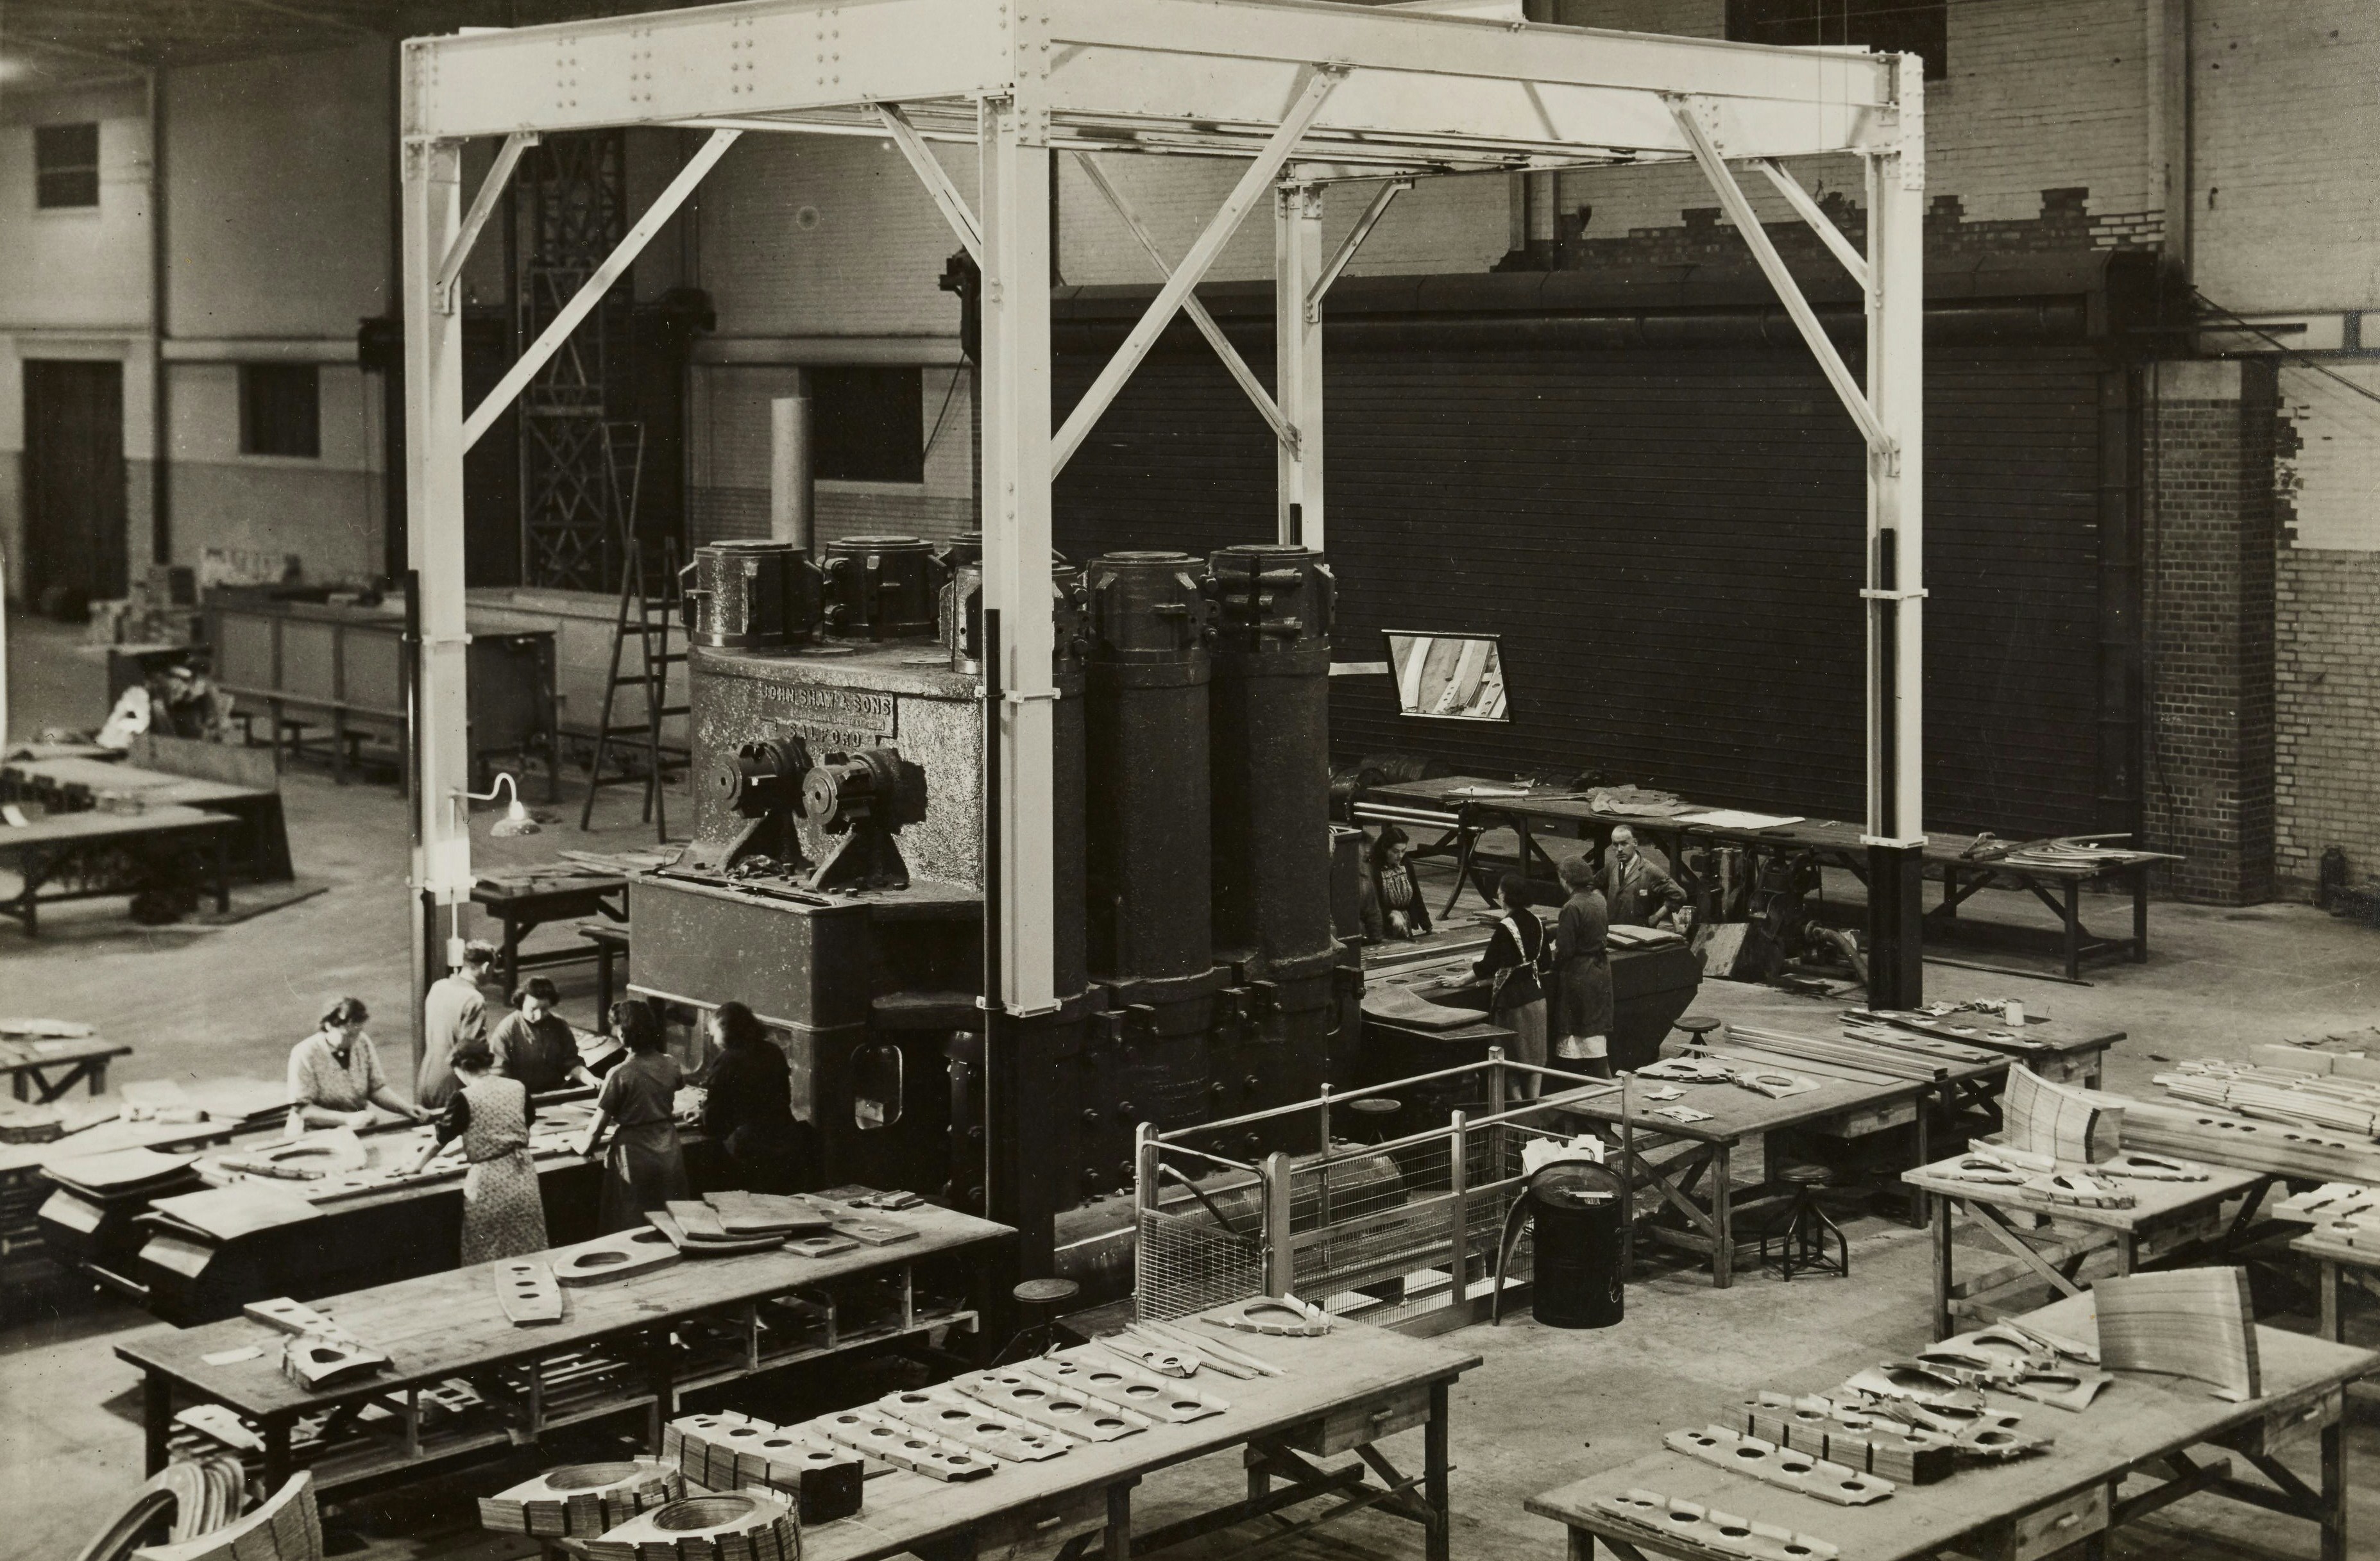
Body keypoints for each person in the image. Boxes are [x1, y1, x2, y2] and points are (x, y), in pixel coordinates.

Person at [404, 1038, 549, 1264]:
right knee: (528, 1245)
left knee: (487, 1249)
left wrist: (416, 1166)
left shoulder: (465, 1097)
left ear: (461, 1068)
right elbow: (521, 1125)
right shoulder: (517, 1087)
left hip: (489, 1181)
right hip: (524, 1175)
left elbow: (441, 1138)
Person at [577, 998, 691, 1231]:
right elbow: (677, 1085)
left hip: (634, 1154)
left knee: (631, 1221)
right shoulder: (671, 1063)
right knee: (670, 1217)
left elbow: (597, 1127)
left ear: (621, 1034)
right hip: (668, 1148)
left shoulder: (619, 1073)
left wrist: (581, 1147)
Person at [700, 1002, 820, 1194]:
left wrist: (702, 1114)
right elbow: (784, 1098)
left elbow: (713, 1121)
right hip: (785, 1141)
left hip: (750, 1148)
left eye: (714, 1033)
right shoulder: (773, 1051)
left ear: (726, 1030)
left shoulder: (726, 1061)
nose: (713, 1039)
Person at [1461, 872, 1549, 1097]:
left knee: (1508, 1057)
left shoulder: (1505, 927)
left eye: (1500, 891)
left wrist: (1459, 980)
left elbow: (1487, 967)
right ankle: (1535, 1104)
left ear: (1506, 896)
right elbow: (1546, 962)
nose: (1498, 894)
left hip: (1512, 1002)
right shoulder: (1537, 922)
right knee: (1535, 1057)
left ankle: (1518, 1105)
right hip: (1537, 998)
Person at [286, 999, 429, 1129]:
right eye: (347, 1035)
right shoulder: (305, 1052)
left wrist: (407, 1109)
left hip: (355, 1130)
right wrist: (348, 1119)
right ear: (328, 1025)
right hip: (311, 1135)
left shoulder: (362, 1042)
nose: (353, 1041)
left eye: (357, 1033)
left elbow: (376, 1088)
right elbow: (303, 1109)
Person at [1551, 856, 1614, 1080]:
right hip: (1599, 970)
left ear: (1565, 879)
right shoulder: (1598, 899)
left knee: (1585, 1040)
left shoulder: (1572, 907)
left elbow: (1565, 949)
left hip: (1580, 975)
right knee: (1594, 1037)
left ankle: (1607, 1090)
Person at [418, 941, 497, 1111]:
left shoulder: (438, 987)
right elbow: (472, 1051)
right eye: (493, 968)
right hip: (454, 1084)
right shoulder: (473, 1000)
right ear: (486, 967)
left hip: (427, 1077)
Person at [491, 978, 593, 1096]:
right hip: (520, 1096)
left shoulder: (559, 1025)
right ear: (521, 1004)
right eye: (533, 1009)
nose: (539, 1016)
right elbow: (499, 1073)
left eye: (544, 1009)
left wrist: (590, 1079)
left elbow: (572, 1062)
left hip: (554, 1092)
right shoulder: (507, 1029)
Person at [1601, 825, 1688, 931]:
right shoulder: (1612, 866)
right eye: (1615, 844)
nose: (1619, 849)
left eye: (1624, 844)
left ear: (1635, 843)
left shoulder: (1650, 871)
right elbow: (1592, 884)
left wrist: (1657, 916)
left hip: (1640, 933)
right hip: (1612, 930)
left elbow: (1680, 895)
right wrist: (1602, 906)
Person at [1360, 826, 1434, 941]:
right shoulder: (1373, 867)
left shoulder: (1406, 863)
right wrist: (1390, 914)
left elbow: (1416, 896)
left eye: (1403, 851)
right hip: (1383, 925)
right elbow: (1373, 903)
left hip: (1404, 923)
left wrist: (1428, 927)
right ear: (1385, 849)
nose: (1400, 856)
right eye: (1395, 852)